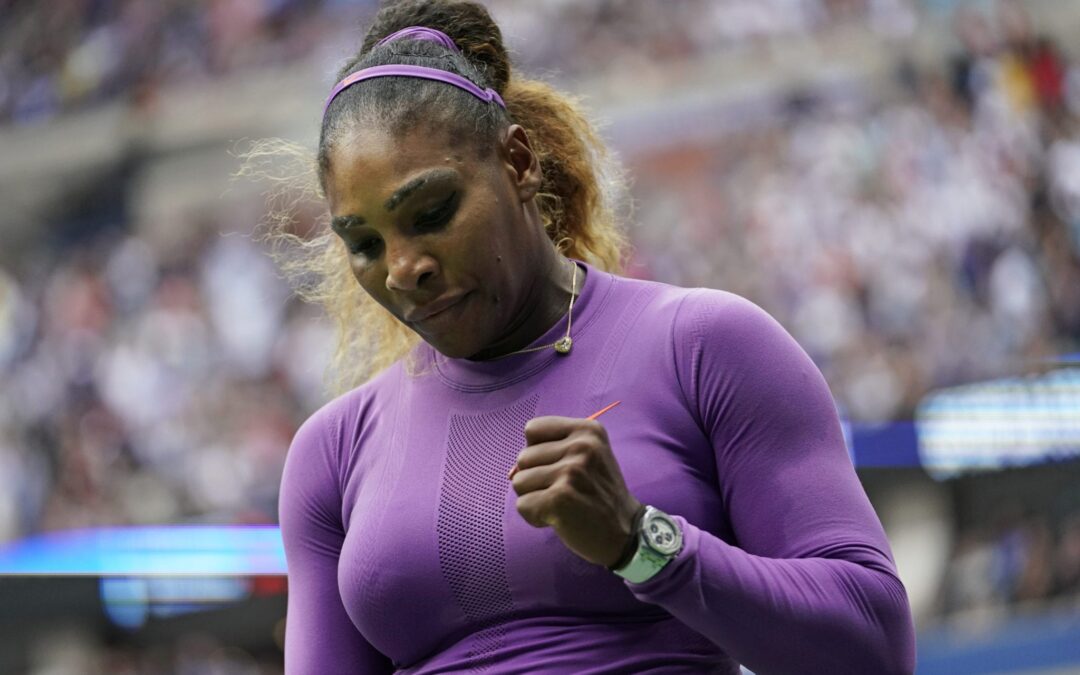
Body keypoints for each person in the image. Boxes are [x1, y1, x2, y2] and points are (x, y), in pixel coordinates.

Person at [276, 1, 916, 673]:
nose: (405, 268)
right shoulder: (333, 454)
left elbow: (874, 645)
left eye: (432, 212)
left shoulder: (706, 347)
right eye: (366, 243)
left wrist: (641, 542)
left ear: (518, 161)